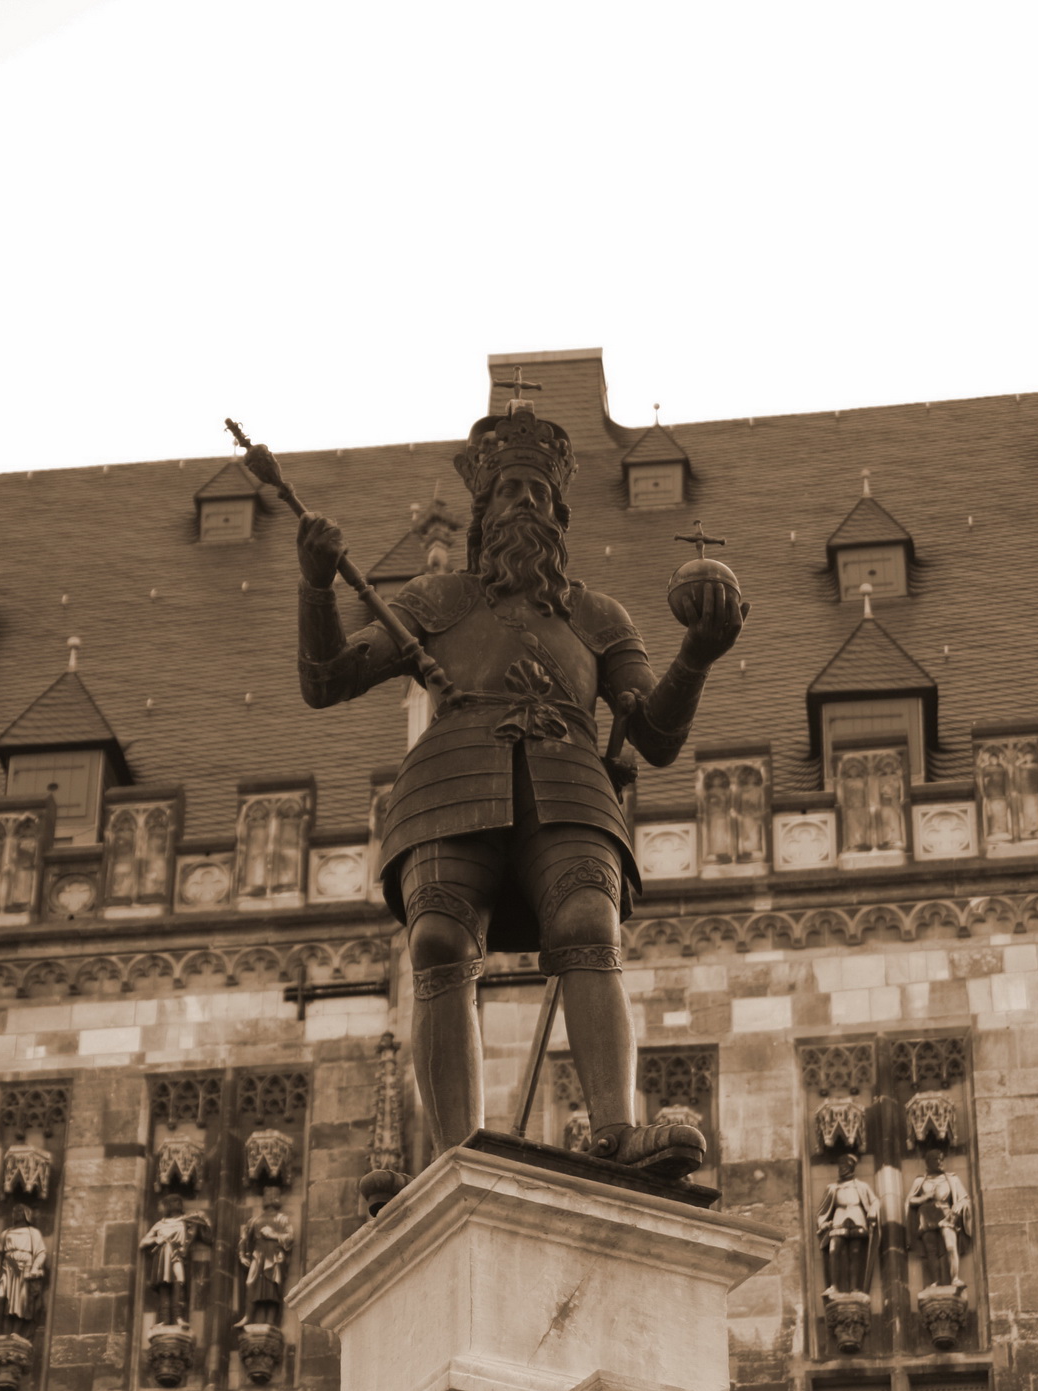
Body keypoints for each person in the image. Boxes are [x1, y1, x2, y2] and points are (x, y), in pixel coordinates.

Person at [295, 402, 745, 1162]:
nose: (526, 504)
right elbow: (328, 679)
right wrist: (314, 586)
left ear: (560, 516)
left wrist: (697, 655)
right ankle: (457, 1152)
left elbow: (656, 735)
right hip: (448, 784)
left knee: (588, 923)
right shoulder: (436, 599)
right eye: (510, 490)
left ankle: (615, 1130)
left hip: (571, 782)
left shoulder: (599, 616)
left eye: (539, 493)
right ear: (483, 512)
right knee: (438, 938)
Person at [905, 1147, 972, 1289]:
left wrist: (959, 1205)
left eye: (942, 1159)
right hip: (926, 1214)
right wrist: (925, 1197)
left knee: (950, 1245)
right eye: (937, 1159)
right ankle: (935, 1281)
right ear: (929, 1162)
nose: (940, 1162)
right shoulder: (920, 1180)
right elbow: (910, 1200)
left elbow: (965, 1199)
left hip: (946, 1213)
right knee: (931, 1249)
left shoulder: (952, 1178)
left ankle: (954, 1278)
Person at [139, 1194, 210, 1327]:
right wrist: (156, 1239)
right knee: (164, 1285)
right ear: (168, 1206)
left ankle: (178, 1317)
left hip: (177, 1255)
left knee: (179, 1282)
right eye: (173, 1202)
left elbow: (207, 1236)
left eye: (178, 1201)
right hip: (163, 1255)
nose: (177, 1204)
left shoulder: (186, 1221)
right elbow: (143, 1243)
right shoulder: (160, 1224)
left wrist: (204, 1219)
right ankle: (165, 1319)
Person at [815, 1151, 880, 1294]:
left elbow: (875, 1201)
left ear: (851, 1167)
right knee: (834, 1249)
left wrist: (873, 1211)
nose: (842, 1168)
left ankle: (855, 1288)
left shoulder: (861, 1186)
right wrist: (822, 1224)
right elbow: (822, 1211)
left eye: (845, 1165)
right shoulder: (832, 1188)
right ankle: (834, 1286)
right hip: (839, 1219)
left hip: (857, 1218)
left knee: (855, 1253)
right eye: (840, 1166)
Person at [235, 1187, 295, 1328]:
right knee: (251, 1283)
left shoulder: (282, 1219)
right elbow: (244, 1239)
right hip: (258, 1255)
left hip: (274, 1255)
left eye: (273, 1195)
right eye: (267, 1195)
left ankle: (270, 1319)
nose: (270, 1198)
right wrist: (242, 1255)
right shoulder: (255, 1220)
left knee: (272, 1286)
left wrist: (273, 1235)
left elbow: (290, 1237)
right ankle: (248, 1316)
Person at [0, 1203, 47, 1337]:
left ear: (26, 1214)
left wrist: (34, 1268)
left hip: (24, 1267)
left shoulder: (33, 1233)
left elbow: (41, 1252)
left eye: (19, 1211)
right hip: (8, 1267)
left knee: (20, 1301)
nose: (16, 1214)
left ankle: (16, 1332)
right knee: (0, 1296)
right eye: (14, 1211)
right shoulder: (5, 1233)